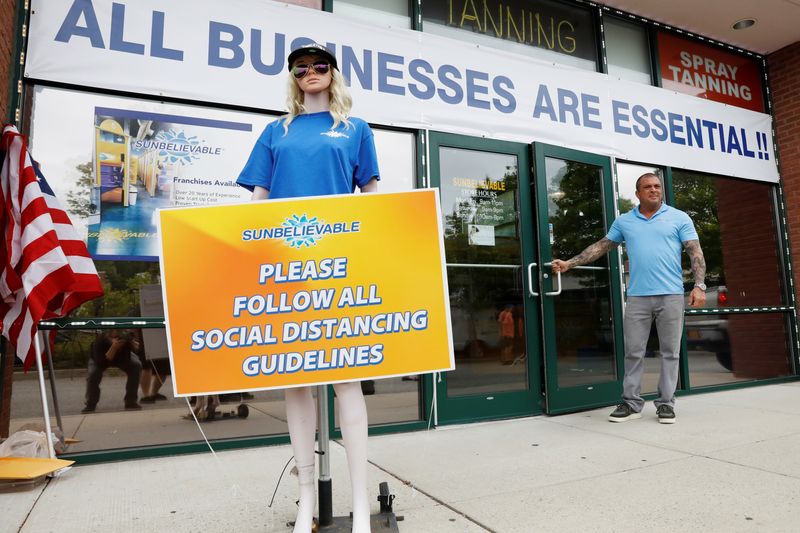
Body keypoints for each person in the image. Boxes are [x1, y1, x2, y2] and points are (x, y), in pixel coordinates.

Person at [236, 43, 379, 533]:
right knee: (294, 374)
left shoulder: (355, 129)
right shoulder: (277, 130)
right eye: (302, 68)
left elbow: (371, 201)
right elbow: (257, 203)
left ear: (333, 73)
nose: (311, 73)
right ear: (294, 77)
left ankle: (359, 501)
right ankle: (304, 500)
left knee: (347, 376)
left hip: (338, 259)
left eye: (320, 66)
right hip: (285, 260)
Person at [551, 173, 706, 425]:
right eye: (648, 187)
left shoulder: (679, 217)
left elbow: (695, 253)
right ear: (638, 193)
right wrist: (570, 263)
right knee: (633, 352)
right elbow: (601, 246)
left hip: (671, 295)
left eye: (657, 186)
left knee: (670, 352)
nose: (654, 190)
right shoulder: (625, 221)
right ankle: (631, 403)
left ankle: (666, 404)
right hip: (637, 298)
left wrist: (699, 286)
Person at [82, 329, 143, 413]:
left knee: (136, 365)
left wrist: (131, 345)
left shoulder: (125, 340)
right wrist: (113, 348)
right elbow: (100, 363)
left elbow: (126, 361)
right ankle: (91, 403)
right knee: (93, 373)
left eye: (117, 332)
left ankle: (131, 401)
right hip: (99, 358)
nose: (115, 335)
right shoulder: (99, 341)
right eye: (112, 333)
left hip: (119, 358)